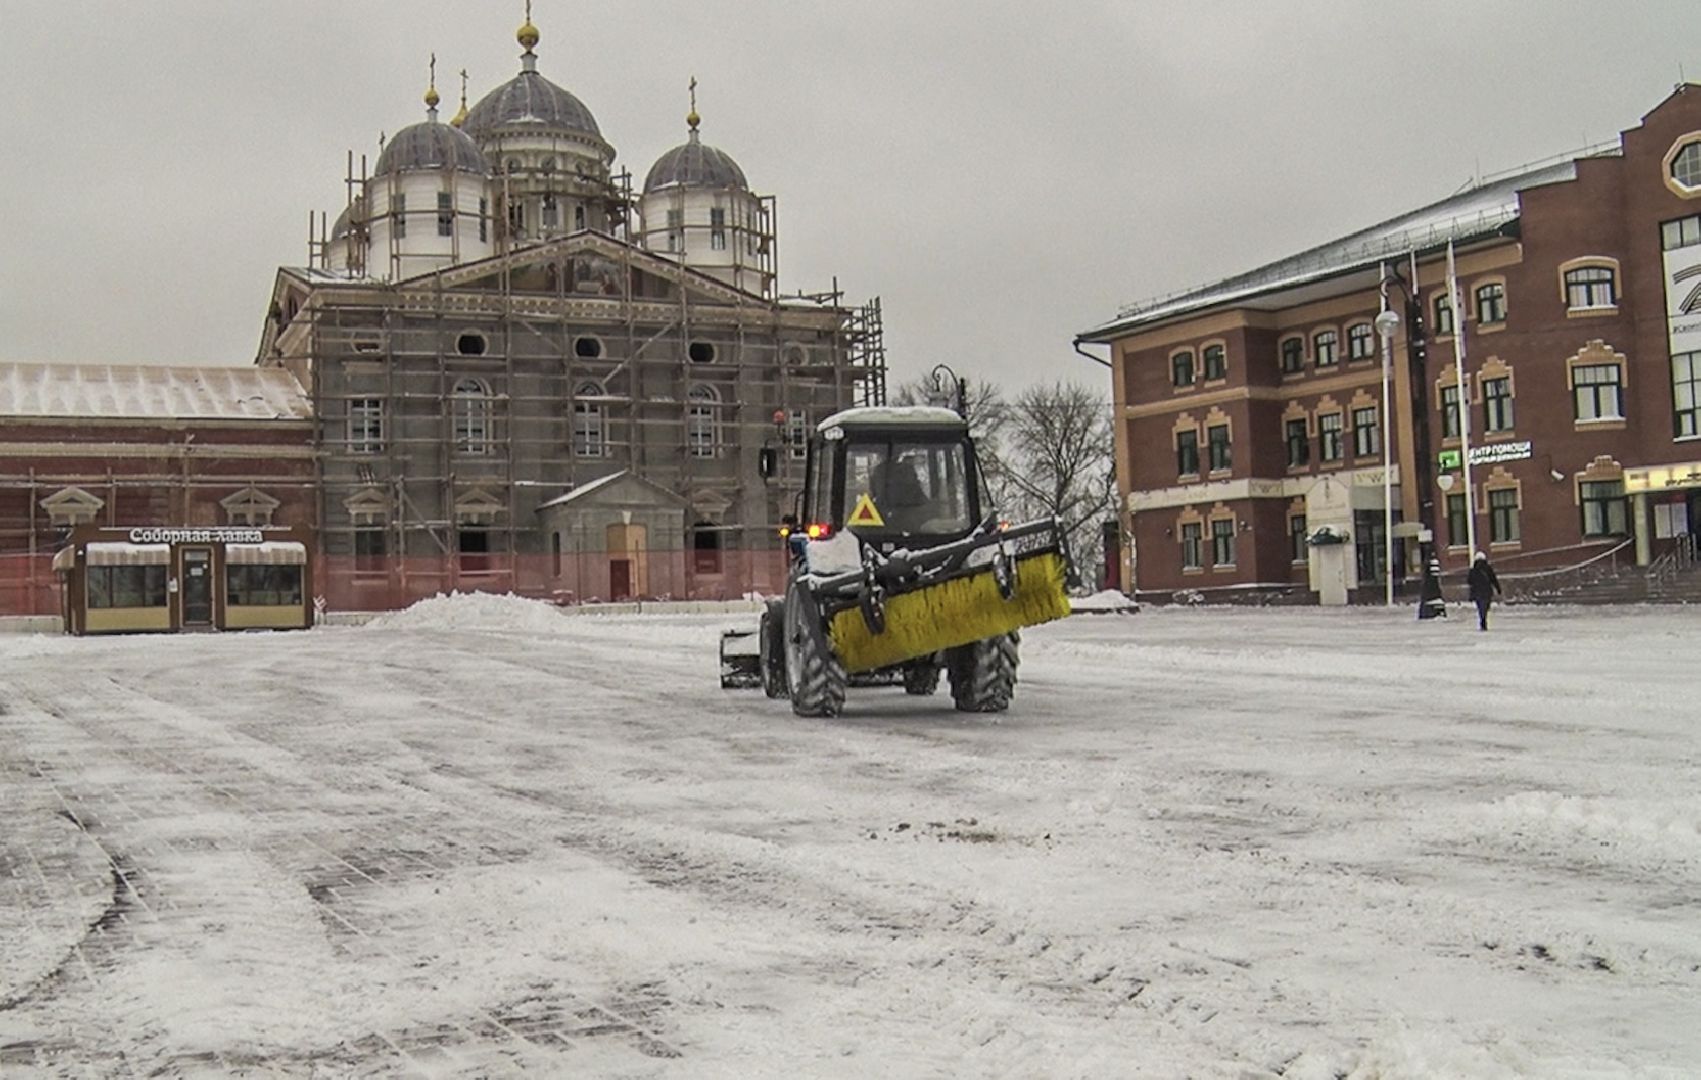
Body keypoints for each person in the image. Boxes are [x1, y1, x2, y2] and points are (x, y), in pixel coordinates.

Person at [1466, 551, 1501, 631]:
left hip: (1477, 591)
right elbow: (1493, 579)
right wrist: (1498, 588)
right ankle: (1483, 619)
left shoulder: (1473, 570)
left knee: (1480, 607)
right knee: (1485, 606)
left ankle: (1482, 619)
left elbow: (1469, 581)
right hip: (1486, 591)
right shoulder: (1488, 568)